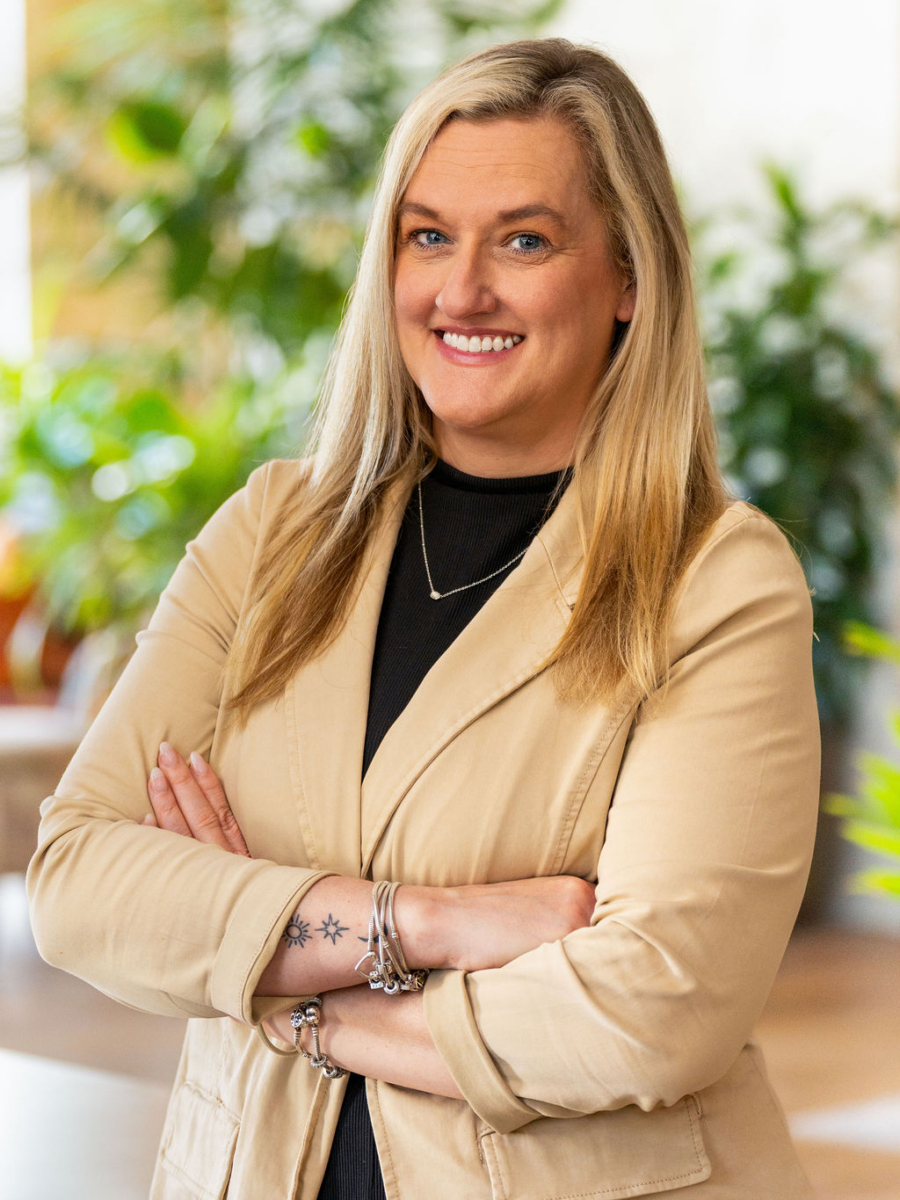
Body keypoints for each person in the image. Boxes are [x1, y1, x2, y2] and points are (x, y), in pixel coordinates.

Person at [26, 36, 821, 1200]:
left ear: (629, 279)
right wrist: (437, 924)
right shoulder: (270, 533)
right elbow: (79, 882)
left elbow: (656, 1009)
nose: (461, 291)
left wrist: (283, 985)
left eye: (526, 240)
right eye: (428, 235)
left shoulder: (716, 580)